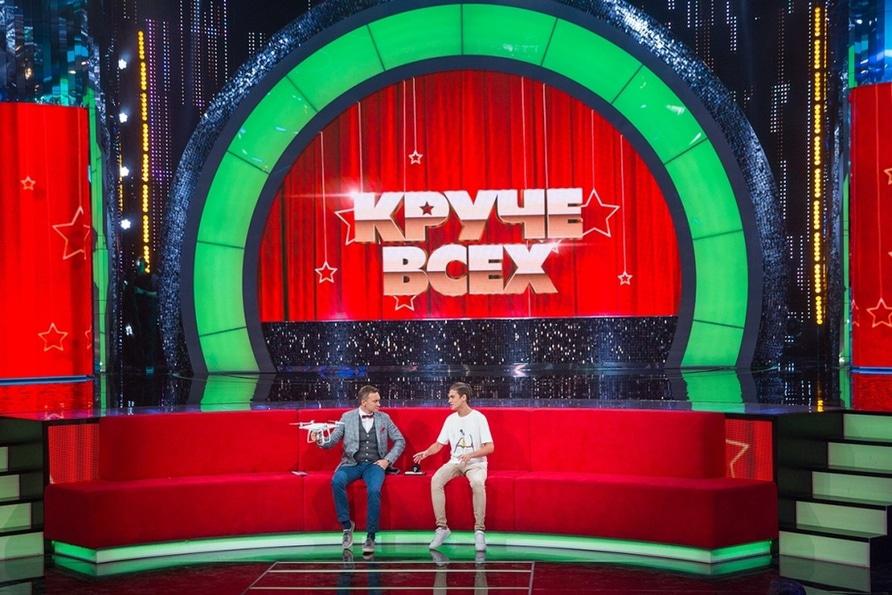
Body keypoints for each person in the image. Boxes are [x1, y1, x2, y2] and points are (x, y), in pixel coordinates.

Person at [311, 385, 405, 555]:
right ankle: (347, 527)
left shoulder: (384, 418)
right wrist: (320, 440)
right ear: (364, 402)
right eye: (375, 401)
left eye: (379, 400)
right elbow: (331, 441)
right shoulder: (347, 417)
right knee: (336, 481)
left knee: (374, 490)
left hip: (375, 465)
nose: (379, 404)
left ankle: (371, 535)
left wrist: (387, 460)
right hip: (351, 463)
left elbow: (400, 440)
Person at [413, 382, 494, 552]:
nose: (449, 400)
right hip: (455, 462)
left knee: (477, 483)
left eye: (452, 397)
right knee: (436, 480)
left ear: (463, 398)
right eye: (449, 397)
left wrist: (471, 455)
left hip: (476, 464)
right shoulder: (450, 420)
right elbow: (439, 444)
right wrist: (426, 453)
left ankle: (479, 530)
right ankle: (442, 528)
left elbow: (490, 447)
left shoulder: (478, 418)